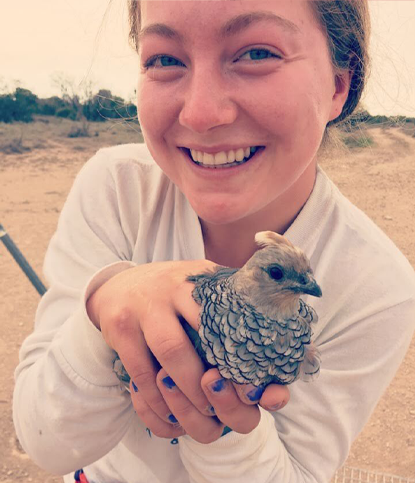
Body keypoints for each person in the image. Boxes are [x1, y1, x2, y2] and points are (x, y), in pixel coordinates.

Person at [13, 1, 415, 482]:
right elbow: (48, 443)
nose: (202, 113)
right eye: (165, 59)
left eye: (257, 52)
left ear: (338, 85)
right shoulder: (118, 187)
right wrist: (107, 303)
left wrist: (225, 428)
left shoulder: (377, 286)